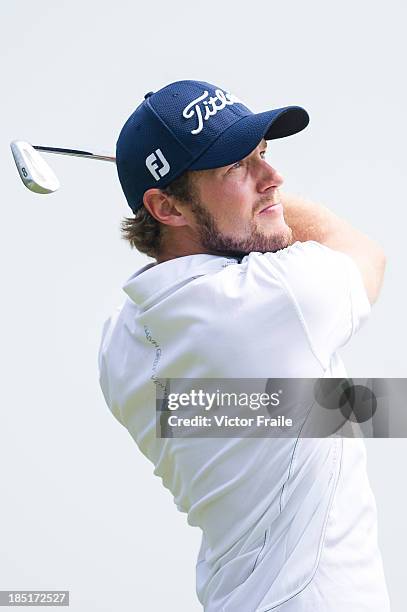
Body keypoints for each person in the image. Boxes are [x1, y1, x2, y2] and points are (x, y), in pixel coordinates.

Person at [98, 80, 391, 611]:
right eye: (237, 166)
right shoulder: (276, 300)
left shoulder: (118, 342)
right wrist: (269, 206)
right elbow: (365, 252)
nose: (273, 178)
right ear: (166, 207)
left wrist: (230, 196)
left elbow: (287, 410)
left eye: (262, 154)